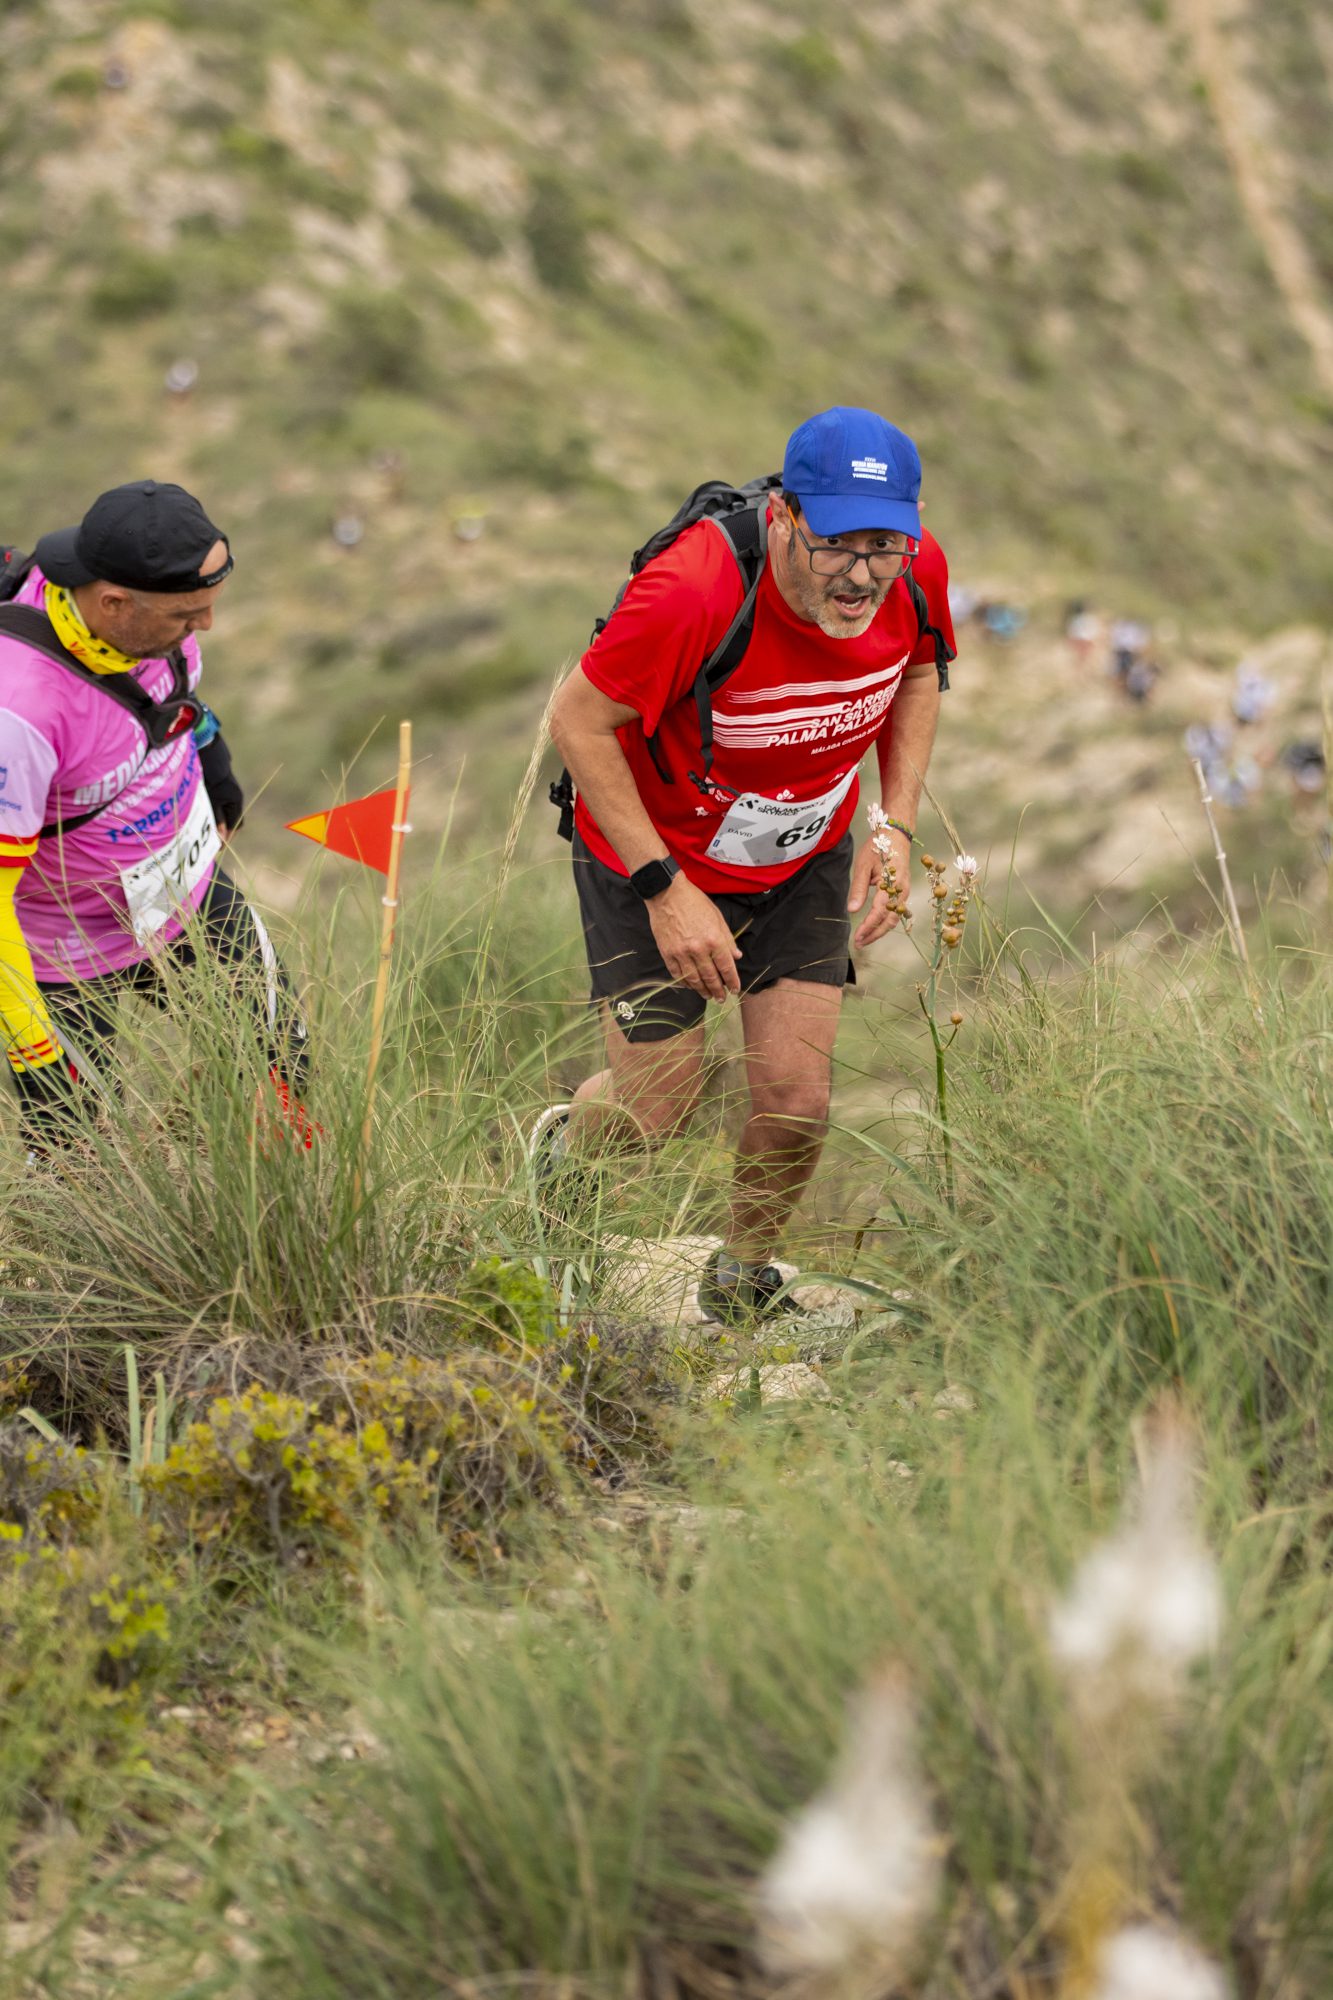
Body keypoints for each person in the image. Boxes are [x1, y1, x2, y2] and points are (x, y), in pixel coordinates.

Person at [541, 406, 956, 1323]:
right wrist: (663, 890)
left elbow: (920, 674)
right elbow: (577, 721)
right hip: (651, 852)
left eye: (883, 546)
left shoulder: (916, 571)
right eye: (835, 545)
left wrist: (893, 823)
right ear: (783, 515)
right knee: (657, 1107)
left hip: (803, 851)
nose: (860, 576)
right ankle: (564, 1154)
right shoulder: (694, 588)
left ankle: (740, 1277)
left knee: (797, 1099)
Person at [0, 480, 308, 1158]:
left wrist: (211, 752)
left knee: (285, 1075)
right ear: (114, 603)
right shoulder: (18, 711)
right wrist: (35, 1051)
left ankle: (215, 1172)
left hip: (183, 894)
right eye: (187, 615)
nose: (207, 625)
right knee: (81, 1166)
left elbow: (172, 690)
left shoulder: (148, 624)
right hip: (62, 955)